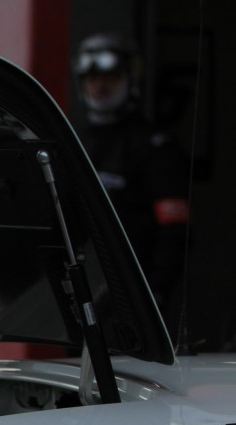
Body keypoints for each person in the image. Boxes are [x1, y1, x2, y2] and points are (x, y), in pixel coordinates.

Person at [73, 32, 190, 331]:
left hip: (135, 298)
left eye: (110, 75)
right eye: (91, 76)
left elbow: (175, 230)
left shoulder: (154, 146)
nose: (100, 85)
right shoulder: (72, 140)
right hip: (80, 294)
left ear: (129, 78)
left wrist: (155, 291)